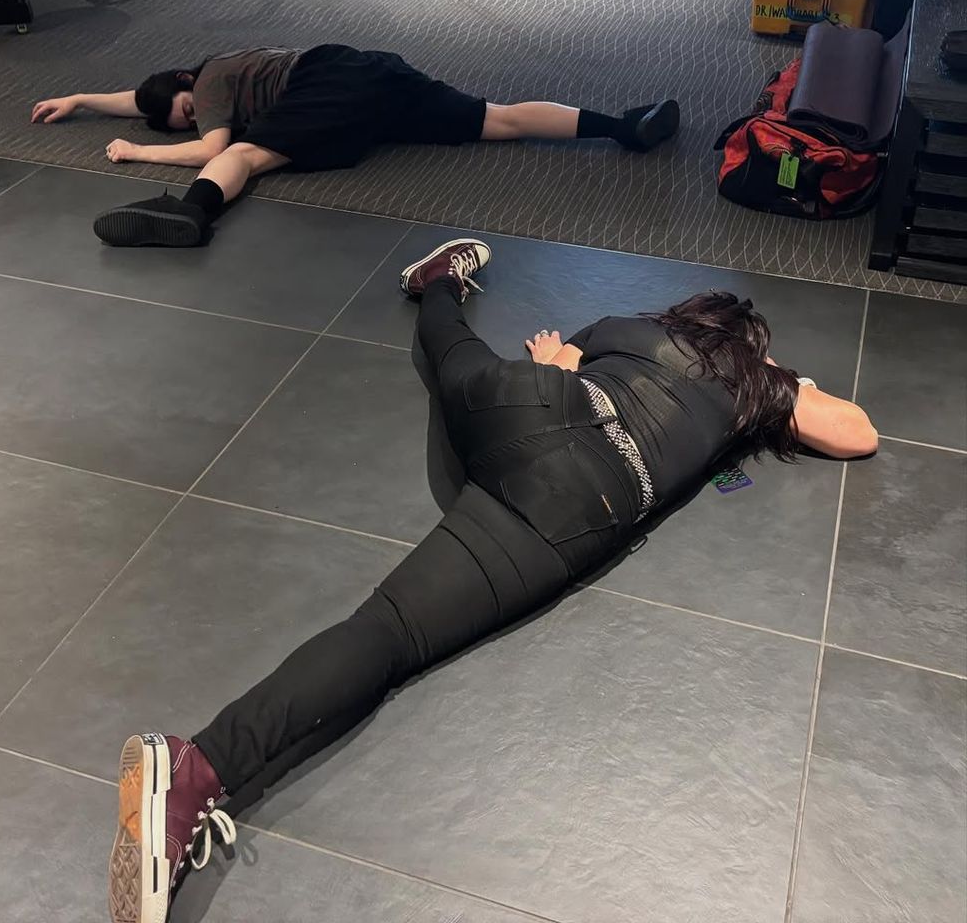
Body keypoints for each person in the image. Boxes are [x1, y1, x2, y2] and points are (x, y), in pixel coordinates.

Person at [106, 240, 877, 923]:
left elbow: (566, 364)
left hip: (536, 407)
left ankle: (439, 282)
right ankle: (197, 764)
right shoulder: (753, 386)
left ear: (684, 314)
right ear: (751, 347)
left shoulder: (627, 329)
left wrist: (556, 372)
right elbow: (859, 434)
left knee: (452, 357)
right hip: (582, 502)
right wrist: (780, 380)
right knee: (388, 636)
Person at [30, 45, 680, 249]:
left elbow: (214, 146)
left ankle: (191, 213)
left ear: (186, 80)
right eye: (184, 119)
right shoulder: (194, 86)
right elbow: (143, 100)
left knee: (246, 156)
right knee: (498, 119)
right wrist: (84, 101)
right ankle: (622, 126)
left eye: (187, 108)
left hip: (328, 79)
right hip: (371, 88)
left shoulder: (216, 77)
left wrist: (140, 153)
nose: (196, 117)